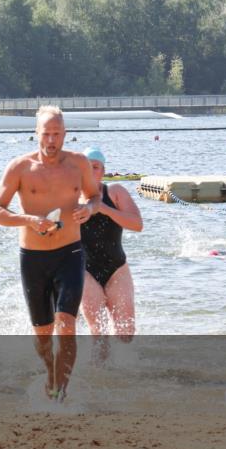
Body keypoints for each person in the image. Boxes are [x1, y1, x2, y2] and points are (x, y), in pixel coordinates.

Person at [0, 106, 101, 401]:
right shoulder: (20, 167)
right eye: (46, 134)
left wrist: (89, 208)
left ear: (65, 135)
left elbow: (95, 195)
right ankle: (50, 373)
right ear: (36, 134)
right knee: (42, 335)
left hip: (70, 253)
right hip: (33, 258)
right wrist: (29, 220)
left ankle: (61, 389)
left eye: (57, 134)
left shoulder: (78, 164)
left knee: (66, 324)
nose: (51, 140)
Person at [78, 147, 143, 361]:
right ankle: (99, 377)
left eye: (95, 167)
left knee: (126, 334)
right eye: (85, 168)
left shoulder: (115, 192)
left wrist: (104, 209)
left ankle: (122, 374)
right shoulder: (70, 198)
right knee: (100, 333)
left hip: (117, 269)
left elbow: (137, 224)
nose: (90, 172)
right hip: (84, 271)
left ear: (103, 170)